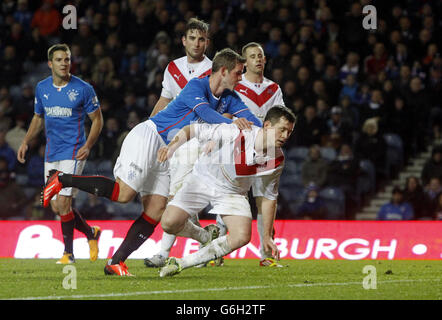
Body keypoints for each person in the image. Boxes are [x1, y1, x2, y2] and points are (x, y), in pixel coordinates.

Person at [42, 48, 261, 276]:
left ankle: (115, 262)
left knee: (156, 211)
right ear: (223, 71)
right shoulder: (197, 86)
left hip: (168, 150)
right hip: (150, 136)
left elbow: (253, 120)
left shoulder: (230, 98)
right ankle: (61, 178)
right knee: (123, 194)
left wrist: (270, 131)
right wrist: (232, 125)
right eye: (238, 72)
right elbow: (205, 113)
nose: (241, 77)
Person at [157, 105, 295, 277]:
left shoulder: (277, 159)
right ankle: (204, 236)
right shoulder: (238, 131)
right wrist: (171, 148)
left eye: (289, 132)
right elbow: (190, 129)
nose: (285, 136)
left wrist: (267, 236)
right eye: (281, 130)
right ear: (267, 125)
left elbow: (267, 198)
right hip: (202, 179)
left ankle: (181, 263)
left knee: (242, 236)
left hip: (233, 192)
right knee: (169, 224)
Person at [17, 44, 103, 264]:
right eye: (59, 60)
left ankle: (68, 253)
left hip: (73, 152)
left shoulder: (83, 88)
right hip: (52, 153)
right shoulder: (42, 88)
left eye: (67, 59)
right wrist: (26, 141)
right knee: (56, 206)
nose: (64, 63)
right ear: (50, 64)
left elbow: (97, 120)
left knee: (64, 204)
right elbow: (38, 118)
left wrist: (89, 145)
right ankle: (90, 233)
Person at [144, 18, 214, 268]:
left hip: (198, 139)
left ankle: (163, 252)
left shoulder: (214, 69)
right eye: (192, 38)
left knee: (176, 197)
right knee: (186, 197)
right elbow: (164, 100)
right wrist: (149, 130)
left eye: (202, 39)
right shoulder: (173, 68)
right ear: (184, 40)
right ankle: (206, 243)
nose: (197, 43)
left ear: (207, 42)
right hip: (175, 141)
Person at [231, 41, 286, 267]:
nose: (259, 59)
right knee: (233, 197)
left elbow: (281, 116)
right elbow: (225, 113)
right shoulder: (235, 86)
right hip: (240, 149)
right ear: (244, 63)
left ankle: (266, 254)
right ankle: (217, 252)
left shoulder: (274, 88)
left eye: (261, 56)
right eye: (253, 56)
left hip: (268, 150)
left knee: (265, 200)